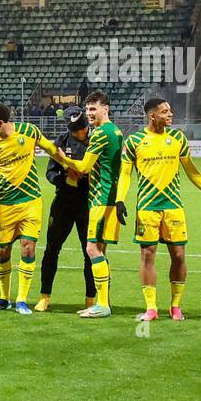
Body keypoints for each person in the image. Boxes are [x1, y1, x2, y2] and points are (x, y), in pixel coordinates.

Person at [119, 98, 201, 322]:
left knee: (179, 256)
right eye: (165, 111)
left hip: (173, 206)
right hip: (147, 207)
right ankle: (151, 307)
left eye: (170, 110)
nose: (170, 114)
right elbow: (125, 174)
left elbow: (191, 170)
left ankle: (175, 305)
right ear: (152, 116)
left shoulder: (178, 138)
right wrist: (119, 200)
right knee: (147, 255)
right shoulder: (134, 141)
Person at [0, 102, 73, 314]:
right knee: (3, 252)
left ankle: (21, 299)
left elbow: (51, 150)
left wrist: (71, 166)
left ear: (1, 123)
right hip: (5, 206)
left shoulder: (29, 131)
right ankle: (4, 299)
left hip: (31, 202)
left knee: (28, 247)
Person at [60, 91, 125, 318]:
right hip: (110, 196)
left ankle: (103, 305)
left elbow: (84, 167)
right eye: (87, 110)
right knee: (101, 251)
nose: (89, 114)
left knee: (92, 249)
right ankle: (102, 301)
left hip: (101, 197)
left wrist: (60, 157)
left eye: (93, 109)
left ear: (105, 109)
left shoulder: (100, 134)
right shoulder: (115, 131)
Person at [35, 107, 95, 312]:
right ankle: (45, 296)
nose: (79, 133)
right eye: (74, 130)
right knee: (51, 250)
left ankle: (91, 299)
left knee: (90, 253)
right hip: (63, 203)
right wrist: (66, 179)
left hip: (88, 204)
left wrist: (85, 178)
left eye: (81, 129)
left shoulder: (97, 139)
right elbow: (50, 173)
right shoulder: (60, 141)